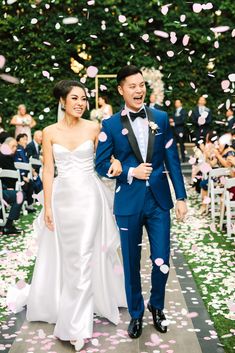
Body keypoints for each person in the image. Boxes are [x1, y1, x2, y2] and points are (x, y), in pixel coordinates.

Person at [25, 80, 126, 352]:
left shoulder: (95, 128)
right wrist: (47, 205)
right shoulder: (48, 132)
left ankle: (75, 326)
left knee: (82, 256)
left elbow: (109, 159)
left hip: (89, 198)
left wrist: (116, 163)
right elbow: (48, 171)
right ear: (63, 101)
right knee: (67, 256)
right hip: (61, 199)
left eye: (84, 99)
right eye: (75, 98)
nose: (81, 103)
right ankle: (61, 303)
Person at [96, 65, 187, 339]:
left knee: (162, 258)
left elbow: (172, 159)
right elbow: (100, 164)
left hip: (159, 201)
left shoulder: (160, 117)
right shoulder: (110, 125)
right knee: (131, 262)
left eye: (141, 85)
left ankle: (156, 306)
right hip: (128, 203)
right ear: (121, 90)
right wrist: (129, 171)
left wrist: (180, 196)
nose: (138, 90)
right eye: (132, 86)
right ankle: (136, 314)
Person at [0, 137, 24, 235]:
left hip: (3, 187)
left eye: (15, 146)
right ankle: (8, 225)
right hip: (3, 190)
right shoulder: (6, 156)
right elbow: (12, 175)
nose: (14, 149)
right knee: (20, 195)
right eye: (13, 146)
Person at [15, 133, 37, 211]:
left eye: (27, 139)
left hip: (23, 174)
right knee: (29, 183)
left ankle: (28, 203)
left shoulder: (22, 149)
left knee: (31, 182)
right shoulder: (19, 149)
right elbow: (21, 163)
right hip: (19, 175)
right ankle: (28, 204)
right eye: (24, 139)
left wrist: (32, 170)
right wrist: (23, 176)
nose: (26, 141)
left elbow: (26, 162)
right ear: (19, 140)